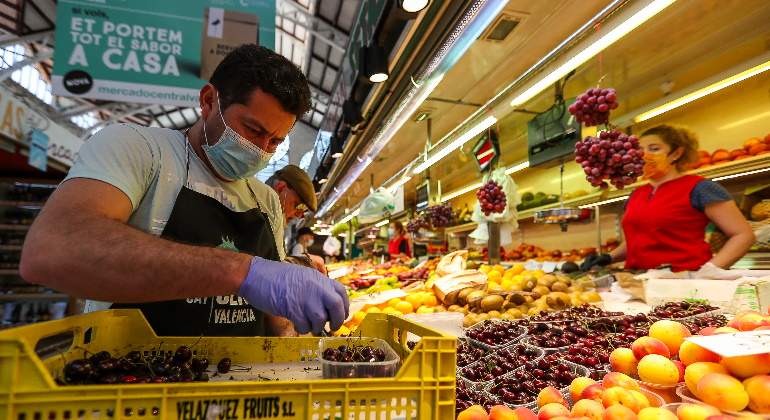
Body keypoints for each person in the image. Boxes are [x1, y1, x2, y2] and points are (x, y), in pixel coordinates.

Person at [19, 45, 348, 336]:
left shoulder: (265, 202)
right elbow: (53, 249)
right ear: (208, 101)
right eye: (252, 129)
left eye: (275, 141)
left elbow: (273, 318)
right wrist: (242, 271)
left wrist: (298, 303)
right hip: (134, 387)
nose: (261, 149)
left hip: (242, 388)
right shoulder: (139, 150)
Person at [582, 125, 754, 272]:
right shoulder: (637, 194)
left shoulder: (700, 188)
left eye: (654, 148)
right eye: (640, 150)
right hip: (637, 281)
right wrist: (608, 257)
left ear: (676, 153)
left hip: (683, 283)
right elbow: (638, 242)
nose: (645, 155)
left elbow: (743, 235)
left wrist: (708, 272)